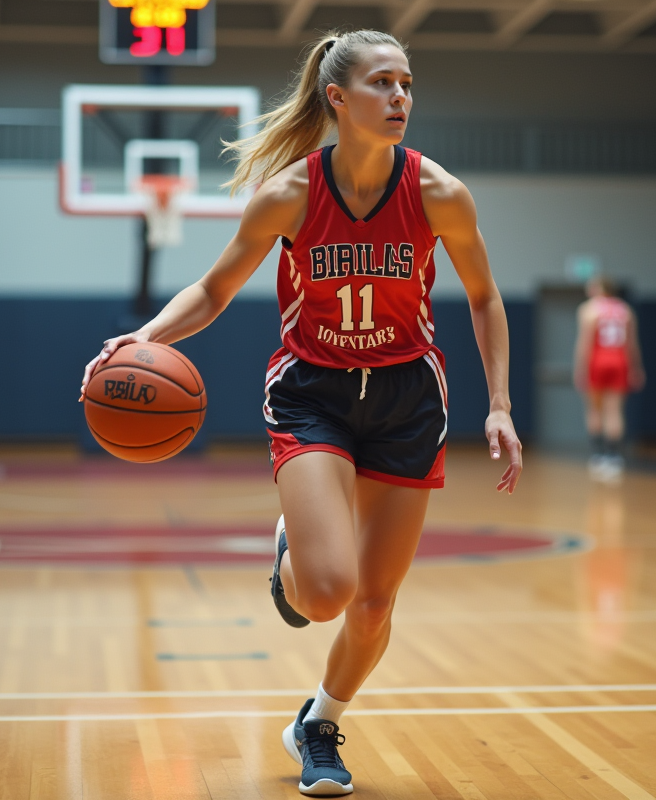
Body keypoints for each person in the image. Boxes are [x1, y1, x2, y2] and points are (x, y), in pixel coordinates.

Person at [80, 30, 522, 797]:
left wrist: (502, 404)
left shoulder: (437, 192)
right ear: (338, 99)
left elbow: (483, 297)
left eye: (408, 84)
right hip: (312, 392)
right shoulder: (289, 193)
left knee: (376, 603)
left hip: (407, 396)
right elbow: (215, 291)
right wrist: (143, 336)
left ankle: (317, 723)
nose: (401, 98)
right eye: (383, 84)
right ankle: (294, 548)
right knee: (325, 594)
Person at [573, 276, 643, 481]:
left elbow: (584, 343)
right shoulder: (626, 310)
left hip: (597, 361)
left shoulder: (588, 309)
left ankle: (597, 456)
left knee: (594, 409)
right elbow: (632, 344)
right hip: (620, 361)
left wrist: (580, 369)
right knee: (615, 411)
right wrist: (636, 368)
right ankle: (614, 457)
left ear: (597, 289)